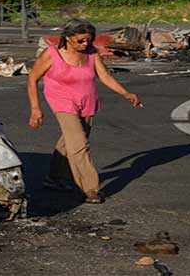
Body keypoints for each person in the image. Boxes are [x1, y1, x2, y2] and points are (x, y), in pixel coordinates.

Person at [27, 19, 143, 204]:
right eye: (81, 40)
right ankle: (89, 189)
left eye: (89, 40)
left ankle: (54, 178)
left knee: (69, 142)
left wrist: (125, 93)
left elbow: (104, 75)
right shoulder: (51, 54)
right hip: (62, 102)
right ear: (67, 37)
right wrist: (36, 109)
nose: (85, 44)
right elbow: (32, 79)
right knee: (80, 144)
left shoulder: (91, 53)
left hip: (87, 101)